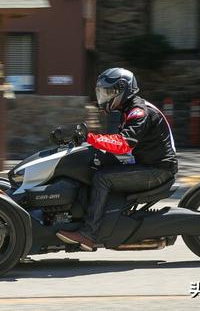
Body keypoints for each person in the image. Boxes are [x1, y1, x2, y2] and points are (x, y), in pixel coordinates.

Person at [56, 67, 178, 251]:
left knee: (102, 178)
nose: (104, 97)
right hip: (145, 163)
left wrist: (89, 137)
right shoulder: (127, 109)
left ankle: (88, 234)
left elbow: (123, 144)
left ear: (123, 90)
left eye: (109, 92)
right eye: (103, 92)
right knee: (95, 163)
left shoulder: (139, 112)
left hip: (158, 170)